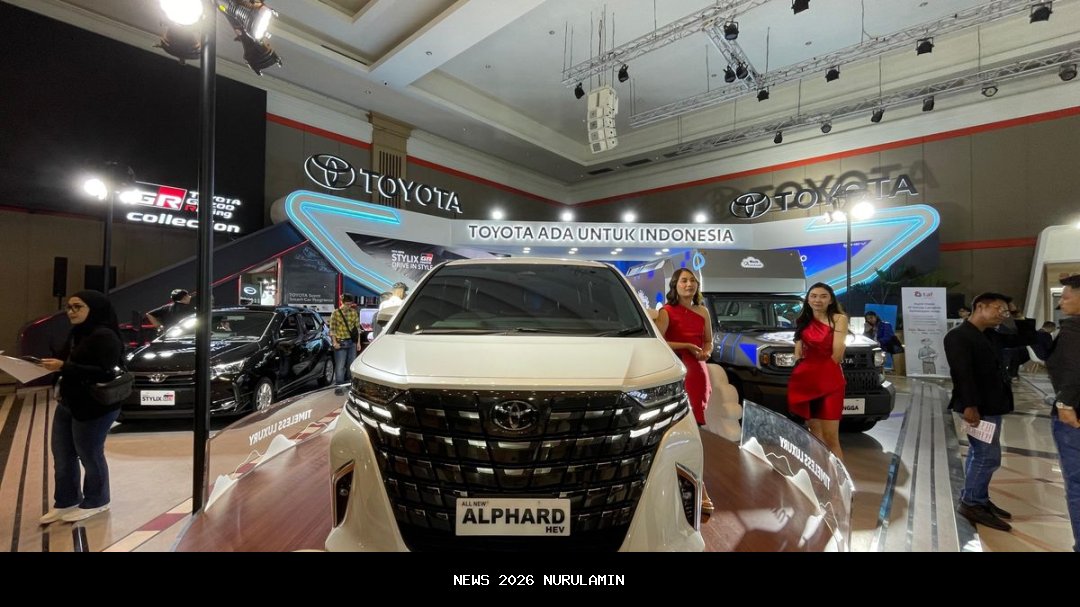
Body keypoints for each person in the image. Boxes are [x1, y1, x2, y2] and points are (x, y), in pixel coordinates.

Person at [944, 292, 1037, 532]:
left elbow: (1026, 338)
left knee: (980, 454)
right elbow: (962, 374)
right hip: (977, 407)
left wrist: (1017, 313)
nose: (1002, 315)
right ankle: (972, 503)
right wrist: (970, 406)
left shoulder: (990, 334)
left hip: (992, 404)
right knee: (988, 456)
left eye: (1005, 311)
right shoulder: (958, 336)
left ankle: (977, 497)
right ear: (980, 307)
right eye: (998, 309)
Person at [37, 290, 124, 524]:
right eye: (69, 307)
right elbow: (67, 363)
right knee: (62, 455)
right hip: (69, 402)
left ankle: (97, 500)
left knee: (90, 454)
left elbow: (106, 372)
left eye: (78, 307)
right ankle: (66, 501)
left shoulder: (105, 336)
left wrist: (63, 367)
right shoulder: (78, 332)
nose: (71, 312)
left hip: (95, 406)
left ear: (93, 309)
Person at [655, 267, 714, 516]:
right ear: (675, 285)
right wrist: (687, 345)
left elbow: (709, 340)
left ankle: (697, 483)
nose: (689, 284)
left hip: (698, 374)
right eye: (683, 281)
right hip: (678, 372)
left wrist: (707, 351)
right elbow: (659, 342)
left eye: (692, 281)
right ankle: (691, 484)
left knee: (696, 430)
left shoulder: (703, 311)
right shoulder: (666, 312)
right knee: (680, 429)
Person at [1034, 274, 1080, 550]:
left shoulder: (1074, 329)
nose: (1061, 303)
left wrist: (1065, 403)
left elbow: (1074, 369)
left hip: (1074, 416)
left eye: (1066, 297)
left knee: (1077, 483)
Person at [787, 282, 849, 460]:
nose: (818, 300)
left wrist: (820, 375)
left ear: (831, 300)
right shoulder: (803, 321)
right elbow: (798, 353)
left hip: (830, 380)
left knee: (831, 437)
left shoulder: (839, 319)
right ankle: (818, 474)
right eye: (813, 296)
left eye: (823, 296)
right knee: (814, 435)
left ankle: (837, 477)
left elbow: (838, 354)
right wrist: (801, 372)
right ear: (808, 299)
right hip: (807, 380)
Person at [329, 293, 360, 384]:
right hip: (340, 342)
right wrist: (334, 342)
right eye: (347, 304)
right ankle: (339, 384)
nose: (349, 306)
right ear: (341, 302)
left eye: (350, 304)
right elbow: (332, 329)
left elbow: (357, 329)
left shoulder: (354, 312)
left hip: (352, 342)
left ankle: (349, 384)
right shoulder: (335, 313)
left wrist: (358, 343)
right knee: (340, 366)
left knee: (351, 364)